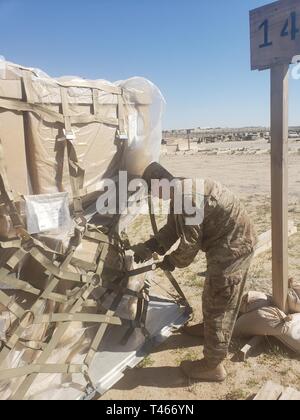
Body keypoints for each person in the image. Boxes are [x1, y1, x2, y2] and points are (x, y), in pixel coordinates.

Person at [132, 162, 257, 382]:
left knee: (218, 302)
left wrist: (171, 261)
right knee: (213, 297)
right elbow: (172, 229)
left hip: (233, 248)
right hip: (225, 243)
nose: (154, 197)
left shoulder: (186, 197)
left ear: (160, 185)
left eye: (152, 191)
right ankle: (209, 330)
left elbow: (189, 245)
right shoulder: (179, 189)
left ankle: (213, 366)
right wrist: (152, 246)